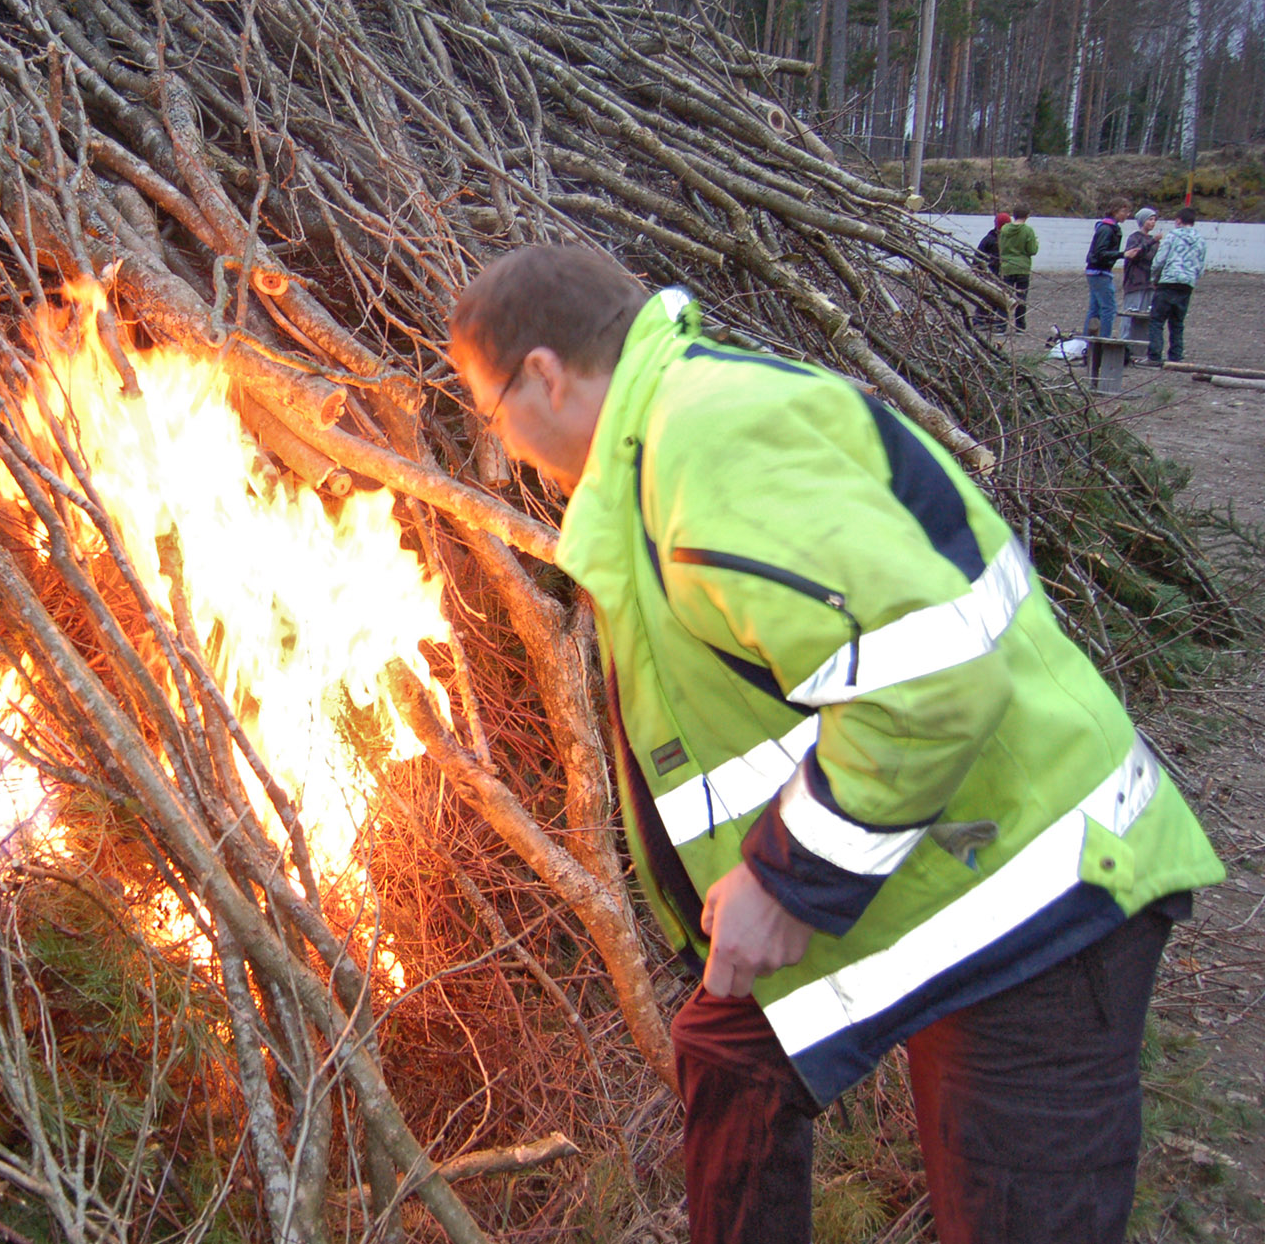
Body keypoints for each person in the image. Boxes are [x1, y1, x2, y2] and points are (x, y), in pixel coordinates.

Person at [447, 245, 1222, 1244]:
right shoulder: (671, 435)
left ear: (544, 373)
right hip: (940, 859)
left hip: (1036, 900)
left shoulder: (707, 448)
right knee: (728, 1046)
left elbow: (928, 681)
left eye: (489, 404)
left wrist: (786, 881)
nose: (500, 444)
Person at [1147, 205, 1208, 367]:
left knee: (1157, 320)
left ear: (1179, 221)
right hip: (1187, 283)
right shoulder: (1201, 240)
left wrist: (1154, 278)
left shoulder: (1172, 236)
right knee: (1177, 321)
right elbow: (1201, 266)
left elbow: (1159, 260)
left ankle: (1154, 355)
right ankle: (1176, 355)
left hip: (1168, 281)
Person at [1084, 202, 1129, 337]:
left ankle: (1088, 340)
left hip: (1096, 271)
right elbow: (1100, 253)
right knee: (1108, 308)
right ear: (1115, 211)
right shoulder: (1107, 229)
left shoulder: (1108, 228)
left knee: (1095, 308)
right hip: (1100, 272)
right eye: (1124, 211)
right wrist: (1122, 254)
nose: (1127, 215)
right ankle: (1104, 340)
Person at [998, 207, 1038, 333]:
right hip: (1022, 267)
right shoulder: (1028, 231)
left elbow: (1001, 248)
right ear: (1027, 215)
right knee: (1021, 298)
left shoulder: (1004, 230)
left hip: (1007, 266)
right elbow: (1032, 250)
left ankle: (1001, 325)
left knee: (1005, 297)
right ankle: (1020, 326)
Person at [972, 212, 1010, 329]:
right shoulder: (989, 239)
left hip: (999, 273)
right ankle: (979, 320)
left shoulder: (1005, 239)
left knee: (993, 297)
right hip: (989, 272)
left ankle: (987, 319)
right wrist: (979, 270)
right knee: (987, 297)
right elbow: (978, 256)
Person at [1121, 207, 1160, 316]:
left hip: (1150, 283)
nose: (1153, 222)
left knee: (1146, 316)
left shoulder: (1155, 241)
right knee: (1130, 315)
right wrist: (1152, 242)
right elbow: (1135, 255)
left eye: (1154, 220)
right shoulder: (1134, 238)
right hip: (1135, 283)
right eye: (1150, 219)